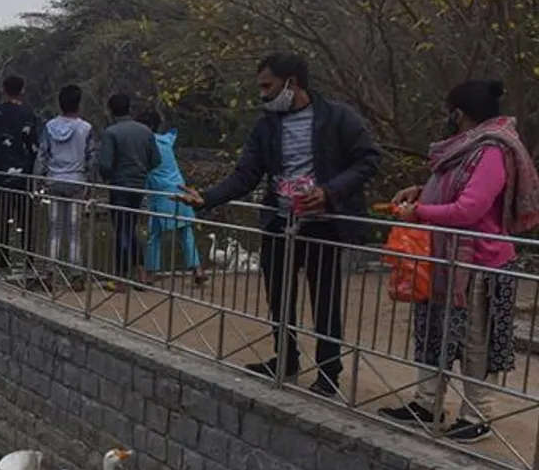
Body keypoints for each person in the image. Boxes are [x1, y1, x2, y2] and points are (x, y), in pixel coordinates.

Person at [180, 53, 381, 397]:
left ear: (292, 83)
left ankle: (328, 371)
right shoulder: (266, 125)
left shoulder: (337, 117)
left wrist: (330, 192)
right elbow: (246, 174)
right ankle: (286, 357)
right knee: (278, 295)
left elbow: (369, 160)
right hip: (280, 221)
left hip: (323, 224)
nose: (262, 94)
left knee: (325, 300)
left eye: (267, 86)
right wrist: (208, 198)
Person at [378, 80, 538, 442]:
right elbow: (453, 188)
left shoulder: (493, 150)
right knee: (434, 333)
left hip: (479, 264)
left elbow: (470, 208)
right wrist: (420, 193)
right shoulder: (464, 149)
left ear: (459, 113)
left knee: (475, 341)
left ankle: (477, 414)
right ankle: (426, 403)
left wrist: (418, 213)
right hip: (445, 260)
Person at [0, 75, 40, 276]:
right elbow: (34, 146)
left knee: (3, 218)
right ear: (22, 90)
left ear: (3, 89)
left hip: (1, 174)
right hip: (25, 176)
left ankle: (4, 263)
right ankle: (29, 264)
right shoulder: (28, 113)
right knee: (26, 220)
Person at [35, 84, 96, 289]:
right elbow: (91, 159)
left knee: (55, 229)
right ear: (78, 104)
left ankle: (49, 273)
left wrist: (38, 180)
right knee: (74, 230)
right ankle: (76, 275)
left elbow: (42, 155)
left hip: (54, 180)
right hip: (77, 181)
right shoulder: (86, 128)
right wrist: (91, 184)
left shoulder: (49, 126)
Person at [98, 93, 161, 287]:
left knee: (121, 230)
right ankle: (141, 273)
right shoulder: (145, 132)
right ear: (129, 109)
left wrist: (107, 175)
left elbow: (105, 165)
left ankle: (121, 279)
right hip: (138, 185)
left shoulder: (111, 133)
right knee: (131, 228)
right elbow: (156, 160)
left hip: (119, 186)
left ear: (110, 111)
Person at [136, 110, 205, 286]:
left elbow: (145, 170)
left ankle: (151, 273)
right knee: (186, 232)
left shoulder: (147, 144)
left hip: (161, 193)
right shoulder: (166, 142)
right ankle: (197, 269)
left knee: (154, 234)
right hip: (179, 188)